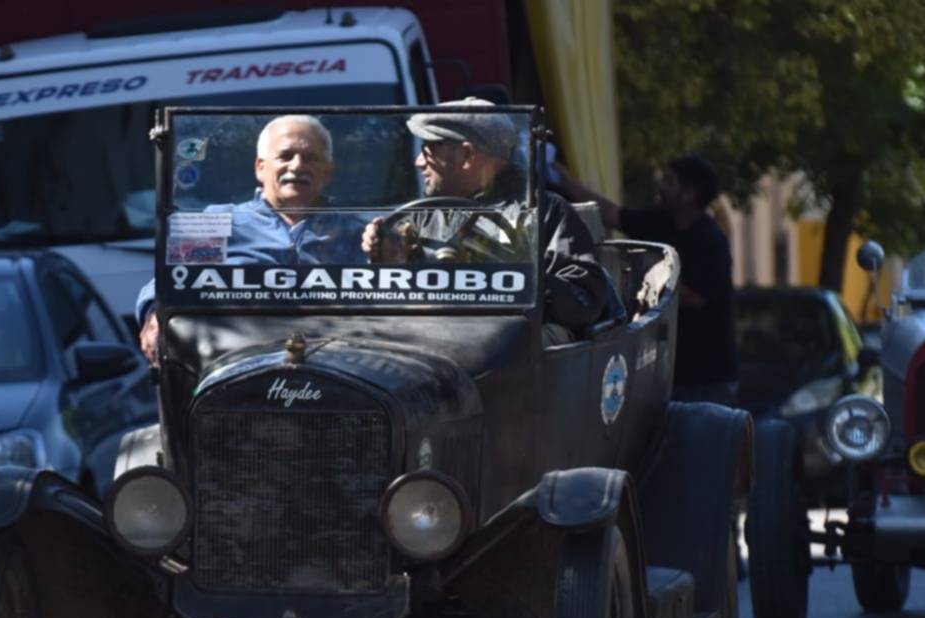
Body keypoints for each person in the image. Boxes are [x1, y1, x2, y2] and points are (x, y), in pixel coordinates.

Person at [362, 99, 619, 334]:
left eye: (428, 148)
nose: (419, 162)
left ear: (467, 155)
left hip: (509, 350)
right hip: (431, 340)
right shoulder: (422, 216)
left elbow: (583, 301)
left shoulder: (542, 211)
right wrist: (388, 258)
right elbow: (392, 298)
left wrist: (507, 274)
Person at [136, 115, 362, 363]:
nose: (297, 166)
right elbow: (169, 281)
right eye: (285, 156)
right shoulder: (216, 222)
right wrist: (154, 315)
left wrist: (387, 255)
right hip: (234, 365)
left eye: (311, 158)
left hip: (338, 365)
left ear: (327, 172)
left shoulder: (358, 233)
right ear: (260, 168)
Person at [558, 153, 739, 405]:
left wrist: (638, 284)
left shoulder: (711, 241)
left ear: (689, 194)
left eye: (670, 181)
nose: (661, 187)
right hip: (669, 377)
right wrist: (564, 180)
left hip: (707, 382)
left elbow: (695, 297)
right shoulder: (659, 224)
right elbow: (610, 213)